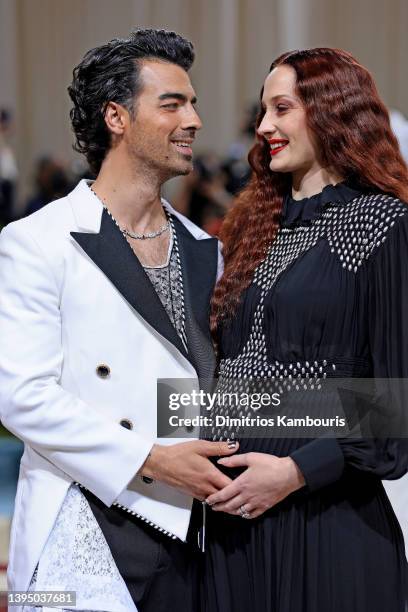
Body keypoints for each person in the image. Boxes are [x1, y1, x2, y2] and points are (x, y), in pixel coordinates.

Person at [0, 28, 239, 612]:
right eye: (173, 103)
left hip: (193, 529)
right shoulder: (37, 240)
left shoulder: (203, 246)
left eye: (195, 102)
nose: (195, 120)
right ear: (116, 117)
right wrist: (153, 459)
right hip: (81, 519)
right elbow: (21, 396)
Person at [203, 48, 408, 611]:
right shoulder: (249, 229)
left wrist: (296, 471)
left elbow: (395, 412)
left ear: (331, 110)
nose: (264, 126)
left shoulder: (381, 223)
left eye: (282, 108)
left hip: (328, 521)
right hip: (232, 526)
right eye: (263, 111)